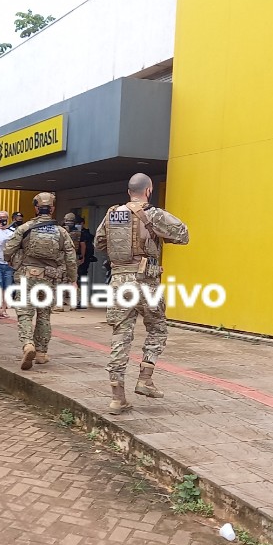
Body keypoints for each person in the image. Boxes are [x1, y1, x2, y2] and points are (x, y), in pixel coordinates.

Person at [95, 173, 189, 415]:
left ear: (129, 192)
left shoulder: (112, 213)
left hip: (119, 283)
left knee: (120, 336)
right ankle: (145, 379)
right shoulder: (154, 214)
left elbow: (99, 243)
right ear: (148, 190)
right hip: (147, 282)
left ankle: (117, 397)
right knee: (157, 328)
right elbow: (183, 235)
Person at [4, 193, 77, 370]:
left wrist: (11, 260)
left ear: (36, 208)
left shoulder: (25, 228)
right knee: (44, 315)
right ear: (52, 209)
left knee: (24, 313)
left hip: (27, 276)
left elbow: (8, 249)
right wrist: (72, 279)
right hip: (50, 278)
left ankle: (28, 344)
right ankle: (42, 353)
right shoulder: (62, 232)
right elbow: (71, 257)